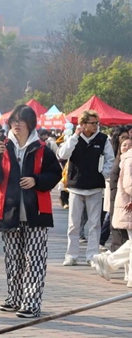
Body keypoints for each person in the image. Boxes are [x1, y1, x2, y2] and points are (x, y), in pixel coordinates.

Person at [0, 105, 62, 318]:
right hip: (9, 210)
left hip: (34, 211)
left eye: (21, 120)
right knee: (13, 258)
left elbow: (56, 174)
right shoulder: (2, 146)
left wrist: (36, 180)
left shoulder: (42, 148)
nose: (16, 124)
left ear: (30, 123)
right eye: (14, 120)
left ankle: (31, 302)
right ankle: (14, 298)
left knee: (34, 258)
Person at [58, 110, 115, 266]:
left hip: (95, 187)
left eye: (97, 123)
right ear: (82, 124)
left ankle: (92, 255)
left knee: (95, 223)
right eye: (92, 123)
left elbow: (110, 159)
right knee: (73, 224)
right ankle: (71, 254)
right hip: (76, 186)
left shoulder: (103, 139)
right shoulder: (74, 138)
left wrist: (102, 174)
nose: (96, 126)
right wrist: (74, 137)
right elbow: (62, 154)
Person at [93, 137, 132, 285]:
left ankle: (110, 263)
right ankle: (108, 261)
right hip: (127, 205)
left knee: (130, 243)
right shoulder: (129, 159)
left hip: (127, 204)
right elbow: (129, 185)